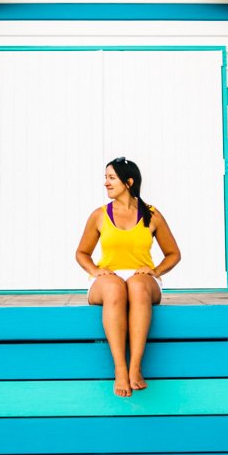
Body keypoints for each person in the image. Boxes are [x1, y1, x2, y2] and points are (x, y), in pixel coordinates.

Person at [75, 157, 181, 397]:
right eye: (106, 178)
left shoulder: (152, 215)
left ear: (129, 181)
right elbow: (82, 252)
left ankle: (135, 367)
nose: (106, 183)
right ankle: (121, 370)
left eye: (111, 178)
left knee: (136, 286)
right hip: (107, 277)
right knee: (115, 288)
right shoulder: (99, 215)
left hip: (141, 277)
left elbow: (173, 254)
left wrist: (156, 271)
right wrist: (94, 271)